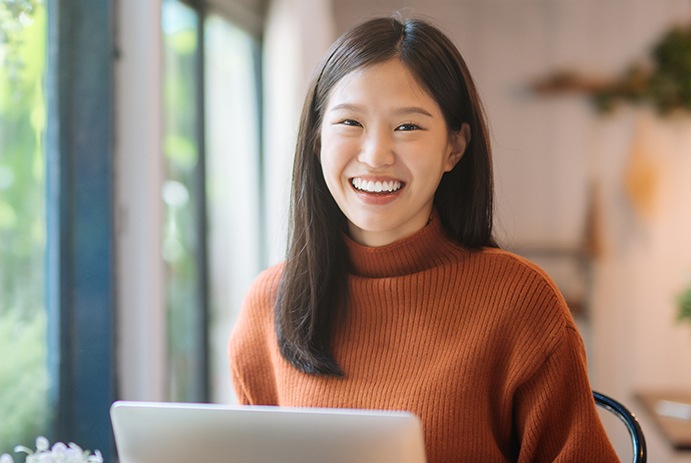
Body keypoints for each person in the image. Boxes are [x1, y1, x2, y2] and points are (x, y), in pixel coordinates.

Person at [228, 15, 619, 462]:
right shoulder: (268, 305)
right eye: (349, 123)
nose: (375, 155)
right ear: (317, 138)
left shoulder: (520, 302)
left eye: (408, 127)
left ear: (454, 147)